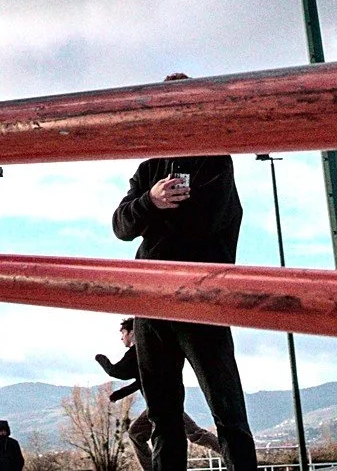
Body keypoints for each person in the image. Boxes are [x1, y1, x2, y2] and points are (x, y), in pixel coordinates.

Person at [111, 83, 259, 471]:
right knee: (163, 419)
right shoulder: (148, 169)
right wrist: (151, 201)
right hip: (149, 301)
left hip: (201, 299)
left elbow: (204, 224)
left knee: (227, 412)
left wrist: (153, 215)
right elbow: (121, 225)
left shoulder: (215, 162)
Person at [96, 318, 225, 471]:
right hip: (159, 403)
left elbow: (116, 371)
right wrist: (120, 394)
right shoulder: (146, 350)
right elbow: (141, 381)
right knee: (136, 433)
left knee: (193, 433)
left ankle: (230, 454)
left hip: (164, 403)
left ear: (131, 333)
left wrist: (100, 358)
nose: (121, 338)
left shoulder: (136, 352)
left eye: (123, 333)